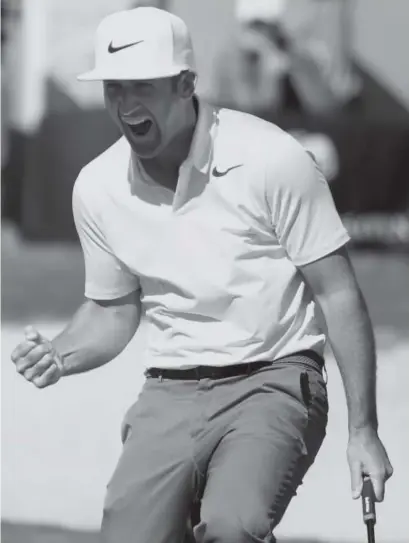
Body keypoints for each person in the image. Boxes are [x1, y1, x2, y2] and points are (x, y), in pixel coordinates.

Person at [11, 7, 393, 543]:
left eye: (142, 85)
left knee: (233, 527)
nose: (125, 105)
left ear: (186, 83)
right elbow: (112, 309)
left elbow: (338, 293)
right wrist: (61, 352)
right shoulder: (96, 187)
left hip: (276, 379)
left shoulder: (271, 158)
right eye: (114, 88)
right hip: (169, 391)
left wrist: (363, 431)